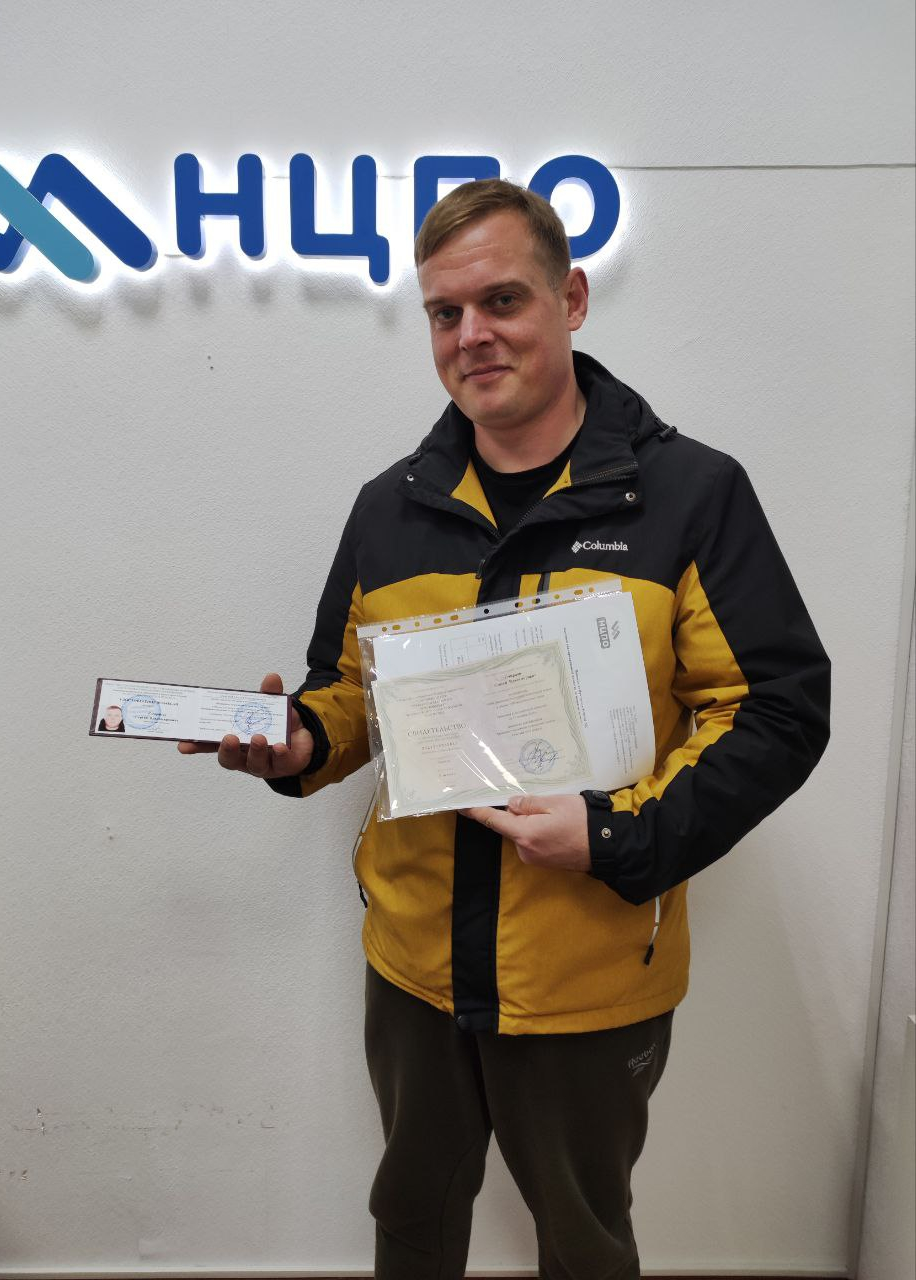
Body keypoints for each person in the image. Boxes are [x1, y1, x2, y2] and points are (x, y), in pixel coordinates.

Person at [179, 180, 830, 1278]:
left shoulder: (688, 496)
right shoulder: (390, 507)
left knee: (583, 1241)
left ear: (570, 300)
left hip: (585, 971)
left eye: (501, 300)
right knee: (412, 1218)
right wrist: (298, 741)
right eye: (444, 312)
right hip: (414, 968)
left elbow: (774, 709)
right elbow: (352, 691)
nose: (470, 334)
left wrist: (617, 835)